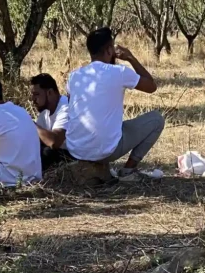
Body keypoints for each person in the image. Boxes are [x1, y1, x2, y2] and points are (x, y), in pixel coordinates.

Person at [63, 28, 164, 183]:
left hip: (76, 149)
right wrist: (130, 57)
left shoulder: (74, 76)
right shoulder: (119, 72)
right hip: (107, 150)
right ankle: (128, 170)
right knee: (157, 119)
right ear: (110, 49)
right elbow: (151, 86)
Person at [29, 73, 71, 170]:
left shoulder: (65, 108)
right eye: (32, 95)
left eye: (36, 94)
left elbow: (54, 142)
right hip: (58, 152)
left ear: (50, 93)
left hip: (70, 156)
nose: (33, 100)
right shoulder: (45, 111)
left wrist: (31, 124)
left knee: (46, 153)